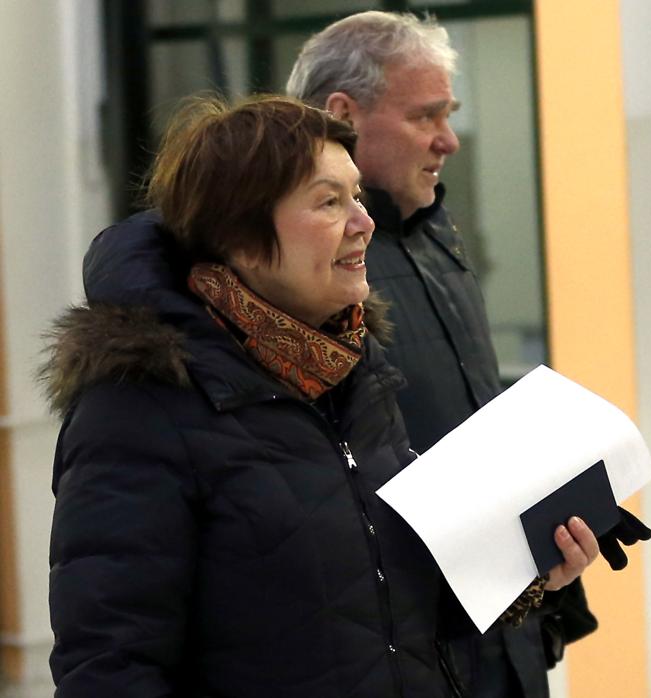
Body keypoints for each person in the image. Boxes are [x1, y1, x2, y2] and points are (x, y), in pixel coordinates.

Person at [41, 95, 599, 697]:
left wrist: (528, 576)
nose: (364, 222)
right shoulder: (138, 408)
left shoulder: (355, 370)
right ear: (242, 238)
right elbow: (110, 668)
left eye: (356, 196)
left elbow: (387, 611)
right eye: (329, 202)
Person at [285, 12, 625, 696]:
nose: (449, 140)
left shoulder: (437, 238)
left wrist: (549, 579)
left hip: (501, 639)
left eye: (451, 114)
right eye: (426, 116)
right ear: (342, 115)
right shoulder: (300, 275)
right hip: (399, 655)